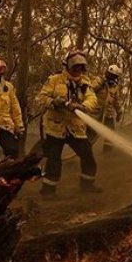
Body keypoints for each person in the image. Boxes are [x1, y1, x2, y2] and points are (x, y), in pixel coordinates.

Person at [35, 49, 100, 196]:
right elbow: (40, 98)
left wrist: (82, 106)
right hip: (55, 127)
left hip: (76, 128)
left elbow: (92, 99)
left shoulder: (85, 82)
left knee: (88, 156)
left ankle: (87, 186)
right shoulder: (54, 80)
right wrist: (54, 102)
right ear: (68, 66)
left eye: (81, 67)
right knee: (54, 160)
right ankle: (48, 191)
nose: (78, 70)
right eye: (75, 66)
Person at [88, 64, 124, 151]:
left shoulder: (114, 87)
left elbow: (116, 101)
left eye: (115, 76)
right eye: (111, 75)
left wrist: (119, 113)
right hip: (96, 113)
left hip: (108, 114)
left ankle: (107, 152)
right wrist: (101, 84)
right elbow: (89, 90)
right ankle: (85, 152)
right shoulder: (99, 81)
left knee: (110, 133)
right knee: (91, 133)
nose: (113, 78)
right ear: (107, 73)